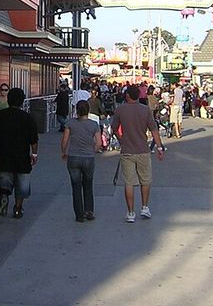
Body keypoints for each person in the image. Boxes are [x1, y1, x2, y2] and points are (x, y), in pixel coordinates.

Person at [111, 85, 164, 223]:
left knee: (129, 183)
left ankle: (130, 213)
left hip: (127, 151)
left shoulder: (120, 110)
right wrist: (159, 147)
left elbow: (114, 128)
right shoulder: (145, 110)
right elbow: (154, 130)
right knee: (145, 180)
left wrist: (121, 139)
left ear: (128, 96)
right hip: (143, 150)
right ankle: (145, 207)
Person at [0, 87, 39, 219]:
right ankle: (17, 208)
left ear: (8, 100)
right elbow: (34, 140)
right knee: (22, 186)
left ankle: (4, 196)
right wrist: (34, 154)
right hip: (22, 157)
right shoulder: (28, 118)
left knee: (4, 181)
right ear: (22, 101)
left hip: (3, 156)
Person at [61, 100, 101, 222]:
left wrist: (64, 152)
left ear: (76, 110)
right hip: (88, 157)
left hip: (73, 157)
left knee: (76, 186)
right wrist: (92, 151)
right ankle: (89, 210)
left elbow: (64, 140)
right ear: (88, 110)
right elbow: (99, 143)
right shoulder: (94, 124)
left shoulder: (70, 123)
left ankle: (79, 214)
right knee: (88, 184)